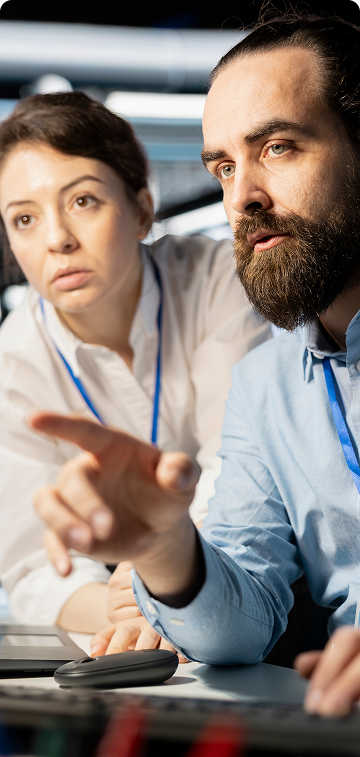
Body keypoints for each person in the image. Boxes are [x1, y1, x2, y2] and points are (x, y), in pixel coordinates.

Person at [31, 11, 360, 716]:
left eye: (279, 146)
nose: (243, 196)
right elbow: (243, 624)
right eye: (224, 166)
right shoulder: (268, 383)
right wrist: (169, 553)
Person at [0, 91, 269, 636]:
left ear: (143, 209)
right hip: (126, 622)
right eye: (24, 219)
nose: (57, 240)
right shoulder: (13, 362)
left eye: (83, 202)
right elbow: (29, 568)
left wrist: (160, 576)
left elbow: (241, 474)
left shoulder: (220, 281)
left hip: (254, 592)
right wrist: (122, 606)